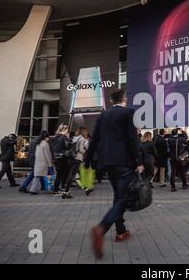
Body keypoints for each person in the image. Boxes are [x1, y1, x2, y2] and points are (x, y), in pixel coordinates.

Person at [85, 89, 143, 259]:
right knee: (124, 199)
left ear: (111, 100)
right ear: (124, 99)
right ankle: (101, 228)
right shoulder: (128, 113)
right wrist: (139, 162)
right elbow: (132, 138)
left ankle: (121, 231)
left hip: (107, 163)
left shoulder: (103, 116)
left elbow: (94, 139)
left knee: (119, 196)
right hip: (124, 162)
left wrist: (88, 163)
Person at [63, 127, 89, 199]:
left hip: (72, 158)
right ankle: (65, 192)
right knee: (72, 175)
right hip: (78, 158)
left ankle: (86, 188)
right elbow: (80, 150)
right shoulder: (82, 139)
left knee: (77, 173)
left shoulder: (74, 138)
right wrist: (85, 151)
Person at [29, 131, 53, 195]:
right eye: (48, 137)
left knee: (37, 177)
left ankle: (33, 190)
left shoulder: (38, 143)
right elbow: (47, 155)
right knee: (51, 176)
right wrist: (50, 163)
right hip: (44, 163)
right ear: (46, 137)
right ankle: (51, 188)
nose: (49, 138)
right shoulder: (45, 144)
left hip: (38, 162)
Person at [51, 123, 72, 196]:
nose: (68, 131)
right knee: (61, 175)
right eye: (67, 130)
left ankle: (57, 189)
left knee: (59, 174)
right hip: (62, 157)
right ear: (64, 129)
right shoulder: (63, 137)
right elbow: (68, 146)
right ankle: (56, 191)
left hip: (56, 158)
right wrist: (69, 140)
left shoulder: (55, 137)